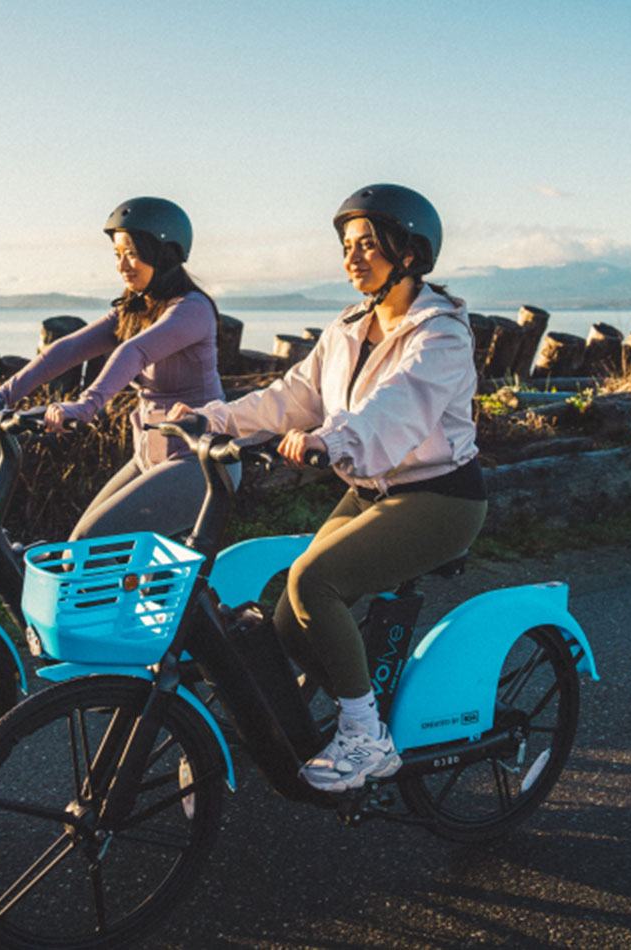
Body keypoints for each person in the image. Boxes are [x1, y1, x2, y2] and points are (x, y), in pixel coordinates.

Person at [172, 184, 486, 792]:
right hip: (371, 488)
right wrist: (213, 418)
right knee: (292, 622)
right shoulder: (348, 327)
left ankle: (366, 739)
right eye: (347, 246)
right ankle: (363, 711)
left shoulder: (441, 336)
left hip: (440, 497)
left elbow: (397, 407)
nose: (352, 257)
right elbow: (292, 395)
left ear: (410, 253)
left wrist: (329, 439)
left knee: (313, 582)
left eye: (368, 244)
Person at [0, 196, 231, 540]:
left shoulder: (192, 309)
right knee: (78, 547)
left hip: (199, 461)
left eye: (132, 253)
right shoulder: (135, 308)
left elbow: (134, 351)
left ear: (164, 251)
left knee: (89, 543)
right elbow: (69, 348)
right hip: (149, 454)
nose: (122, 265)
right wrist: (4, 394)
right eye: (117, 254)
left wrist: (86, 406)